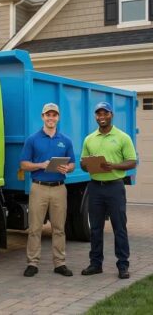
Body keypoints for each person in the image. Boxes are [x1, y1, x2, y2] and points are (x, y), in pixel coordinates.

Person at [79, 102, 137, 279]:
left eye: (105, 113)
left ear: (111, 115)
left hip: (115, 187)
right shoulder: (89, 138)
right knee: (95, 228)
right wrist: (86, 164)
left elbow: (132, 161)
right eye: (98, 114)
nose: (101, 116)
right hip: (95, 188)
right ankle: (95, 264)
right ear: (95, 117)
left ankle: (123, 265)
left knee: (119, 227)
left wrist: (114, 165)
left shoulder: (122, 137)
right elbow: (82, 163)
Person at [19, 103, 75, 277]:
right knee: (35, 228)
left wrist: (68, 169)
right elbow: (23, 164)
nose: (51, 118)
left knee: (59, 228)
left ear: (58, 118)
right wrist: (39, 165)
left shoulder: (65, 140)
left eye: (54, 115)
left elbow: (72, 163)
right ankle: (32, 264)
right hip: (39, 188)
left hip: (59, 188)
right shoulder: (32, 139)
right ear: (42, 117)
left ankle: (60, 264)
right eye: (48, 115)